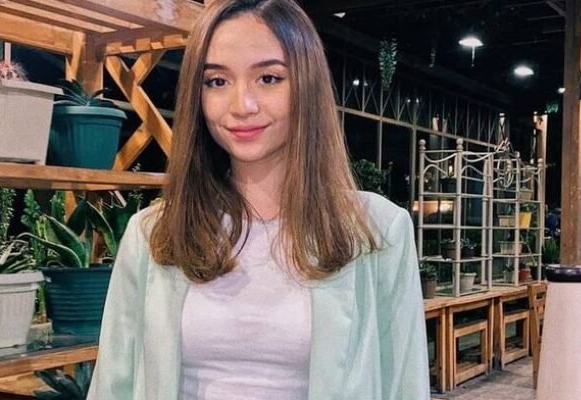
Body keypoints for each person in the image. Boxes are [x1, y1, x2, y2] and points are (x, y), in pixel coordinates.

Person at [87, 1, 429, 399]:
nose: (242, 106)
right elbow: (113, 383)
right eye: (217, 81)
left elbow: (404, 384)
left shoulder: (376, 231)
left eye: (268, 78)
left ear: (307, 86)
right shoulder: (154, 234)